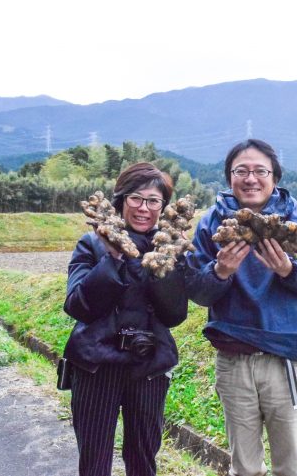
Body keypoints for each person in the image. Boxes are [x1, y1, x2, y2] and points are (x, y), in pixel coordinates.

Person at [185, 139, 297, 476]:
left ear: (275, 177)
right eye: (241, 171)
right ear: (229, 178)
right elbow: (196, 290)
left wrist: (288, 270)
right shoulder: (212, 223)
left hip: (284, 356)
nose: (250, 178)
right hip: (233, 358)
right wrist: (220, 271)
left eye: (260, 171)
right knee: (245, 466)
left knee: (290, 464)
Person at [62, 162, 188, 476]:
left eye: (153, 201)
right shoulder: (91, 244)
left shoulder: (169, 248)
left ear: (164, 207)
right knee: (94, 463)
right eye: (136, 198)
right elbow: (78, 306)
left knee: (143, 461)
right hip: (96, 364)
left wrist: (161, 263)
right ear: (121, 200)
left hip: (148, 366)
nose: (144, 208)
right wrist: (113, 255)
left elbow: (174, 315)